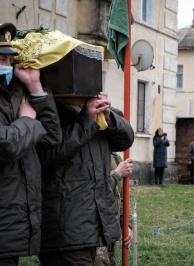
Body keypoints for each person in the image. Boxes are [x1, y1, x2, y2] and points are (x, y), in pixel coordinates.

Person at [38, 92, 134, 265]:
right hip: (67, 232)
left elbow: (126, 139)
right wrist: (86, 120)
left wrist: (110, 117)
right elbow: (47, 154)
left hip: (96, 227)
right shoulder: (48, 108)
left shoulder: (95, 114)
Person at [0, 22, 61, 266]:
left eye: (8, 60)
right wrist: (26, 120)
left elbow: (52, 139)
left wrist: (35, 87)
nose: (5, 66)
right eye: (0, 59)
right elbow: (6, 145)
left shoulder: (14, 93)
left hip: (10, 226)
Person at [95, 151, 134, 266]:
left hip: (111, 233)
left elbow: (121, 195)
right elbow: (92, 193)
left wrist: (126, 225)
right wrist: (116, 174)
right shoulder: (87, 155)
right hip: (93, 234)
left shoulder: (115, 158)